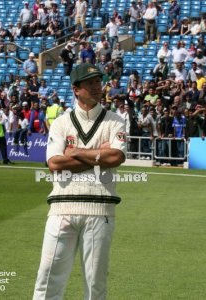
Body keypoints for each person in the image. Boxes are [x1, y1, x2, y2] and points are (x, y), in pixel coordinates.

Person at [33, 63, 126, 300]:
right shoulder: (61, 122)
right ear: (76, 89)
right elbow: (54, 164)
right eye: (90, 83)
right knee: (48, 277)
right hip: (61, 209)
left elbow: (116, 157)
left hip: (100, 209)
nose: (97, 87)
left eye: (98, 81)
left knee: (95, 282)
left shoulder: (116, 120)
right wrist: (98, 155)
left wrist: (75, 153)